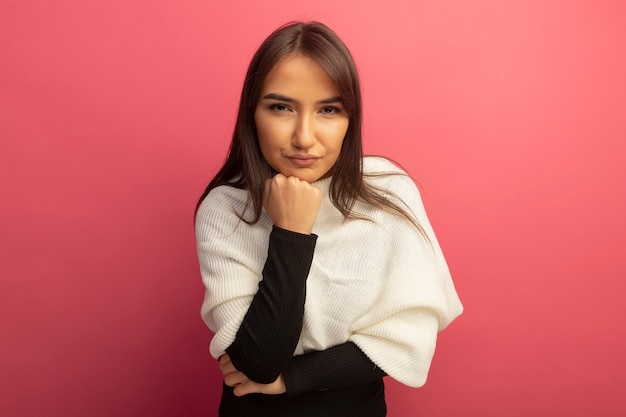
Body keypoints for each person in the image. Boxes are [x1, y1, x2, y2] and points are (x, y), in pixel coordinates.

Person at [195, 21, 463, 417]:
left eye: (328, 109)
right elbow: (257, 363)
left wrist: (293, 378)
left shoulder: (388, 192)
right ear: (252, 114)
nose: (304, 137)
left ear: (350, 118)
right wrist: (290, 232)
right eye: (281, 107)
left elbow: (405, 341)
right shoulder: (227, 209)